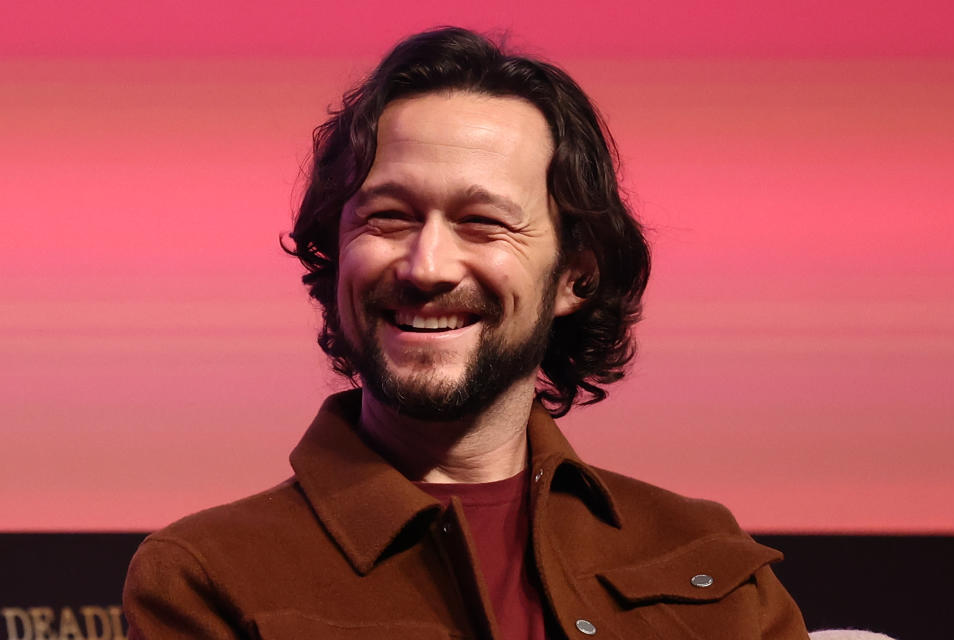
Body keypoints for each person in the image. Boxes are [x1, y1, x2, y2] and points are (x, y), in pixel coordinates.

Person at [123, 27, 808, 639]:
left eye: (483, 223)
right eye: (388, 217)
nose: (426, 266)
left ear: (575, 277)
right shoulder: (208, 577)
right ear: (335, 253)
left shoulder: (709, 558)